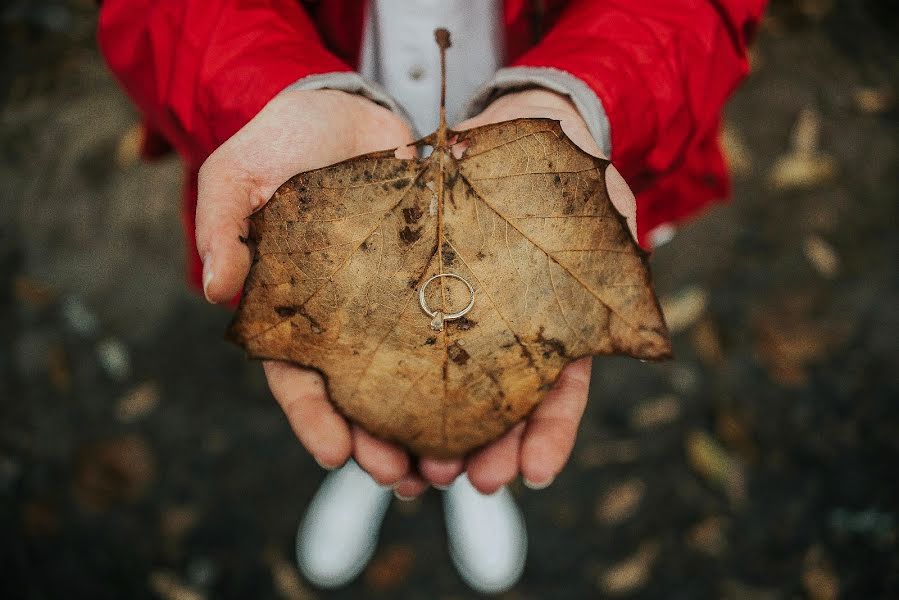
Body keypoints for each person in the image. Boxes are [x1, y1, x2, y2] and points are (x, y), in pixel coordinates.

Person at [98, 0, 766, 593]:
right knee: (348, 346)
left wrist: (579, 96)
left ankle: (463, 453)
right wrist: (271, 90)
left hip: (545, 121)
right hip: (331, 126)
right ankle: (380, 452)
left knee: (506, 337)